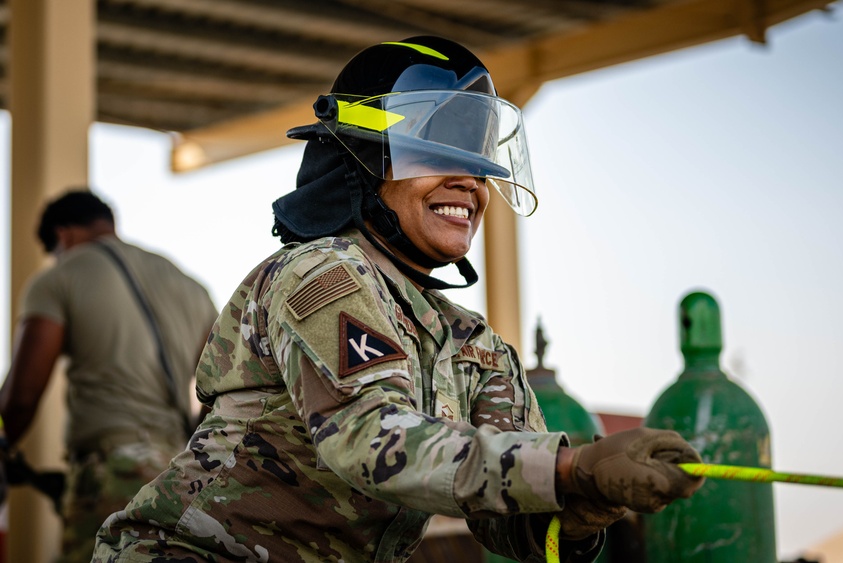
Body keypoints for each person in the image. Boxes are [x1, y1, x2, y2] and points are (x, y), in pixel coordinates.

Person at [92, 36, 704, 563]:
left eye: (480, 163)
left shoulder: (476, 346)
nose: (469, 181)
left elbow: (507, 520)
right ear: (365, 161)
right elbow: (370, 440)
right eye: (434, 153)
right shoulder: (322, 272)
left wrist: (585, 500)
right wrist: (572, 466)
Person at [0, 189, 218, 562]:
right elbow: (216, 387)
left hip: (110, 471)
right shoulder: (190, 286)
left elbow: (20, 398)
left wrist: (4, 438)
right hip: (176, 474)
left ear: (62, 235)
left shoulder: (60, 277)